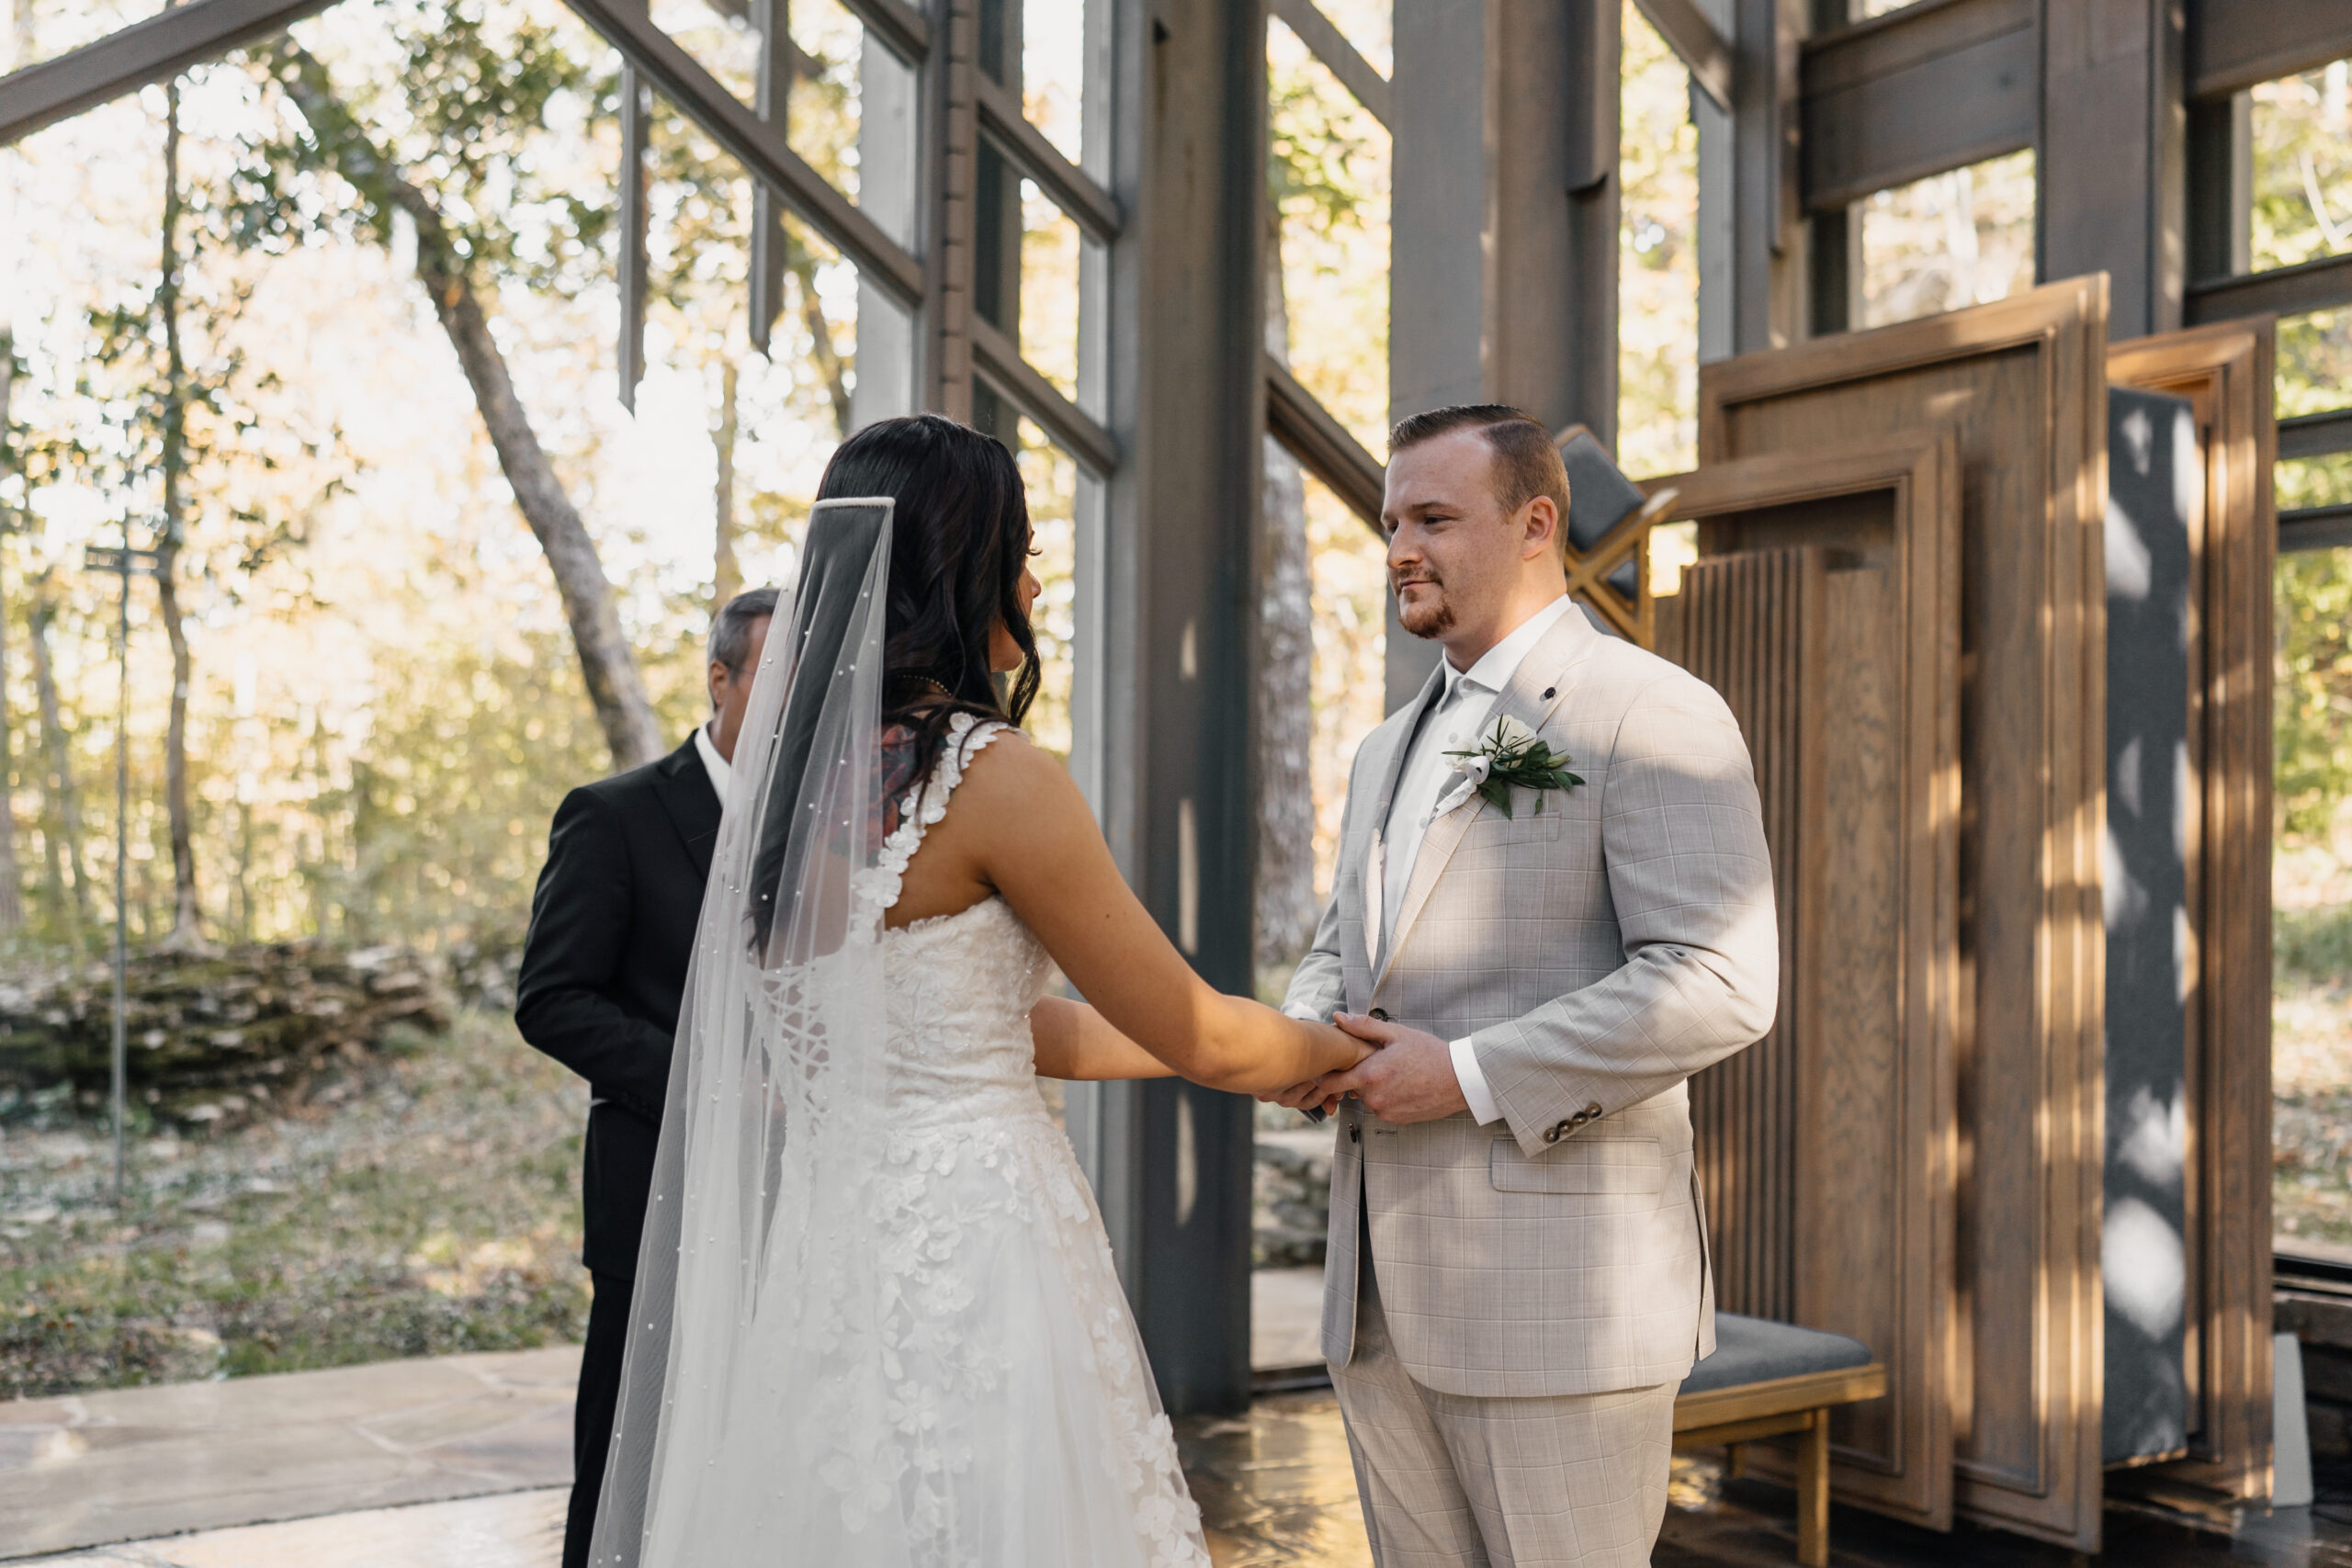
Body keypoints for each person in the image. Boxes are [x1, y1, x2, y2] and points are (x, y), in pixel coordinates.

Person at [586, 414, 1367, 1568]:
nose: (1038, 580)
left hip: (824, 1255)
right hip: (975, 1253)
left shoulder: (779, 793)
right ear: (958, 564)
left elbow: (965, 1025)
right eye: (1021, 547)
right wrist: (1328, 1052)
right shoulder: (994, 779)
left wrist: (1233, 1048)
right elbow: (1202, 1031)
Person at [1269, 405, 1778, 1568]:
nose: (1398, 545)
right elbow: (1348, 942)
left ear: (1535, 522)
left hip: (1559, 1306)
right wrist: (1304, 1037)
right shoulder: (1383, 746)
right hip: (1378, 1299)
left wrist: (1468, 1074)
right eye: (1391, 519)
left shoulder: (1650, 710)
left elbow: (1723, 978)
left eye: (1433, 518)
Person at [514, 587, 775, 1568]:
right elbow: (552, 999)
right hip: (658, 1187)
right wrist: (716, 1090)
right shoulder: (613, 816)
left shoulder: (844, 833)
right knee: (633, 1459)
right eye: (779, 679)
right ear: (721, 678)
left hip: (801, 1199)